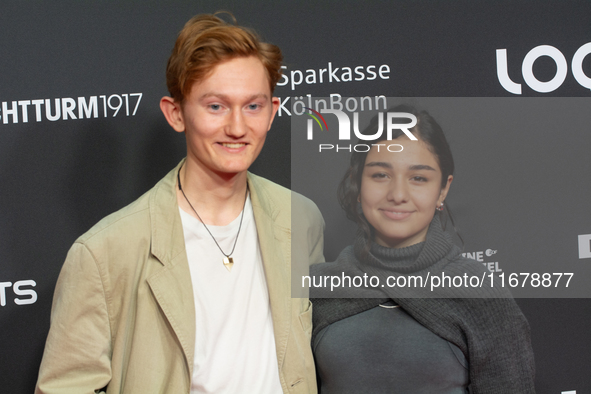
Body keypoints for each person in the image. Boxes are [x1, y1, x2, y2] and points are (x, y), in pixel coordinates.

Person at [35, 13, 324, 394]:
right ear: (176, 113)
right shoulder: (103, 252)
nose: (237, 127)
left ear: (272, 112)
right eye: (216, 106)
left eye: (252, 106)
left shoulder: (301, 218)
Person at [309, 105, 535, 393]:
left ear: (442, 189)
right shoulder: (318, 290)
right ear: (357, 181)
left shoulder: (480, 292)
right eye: (380, 175)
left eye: (418, 178)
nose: (398, 195)